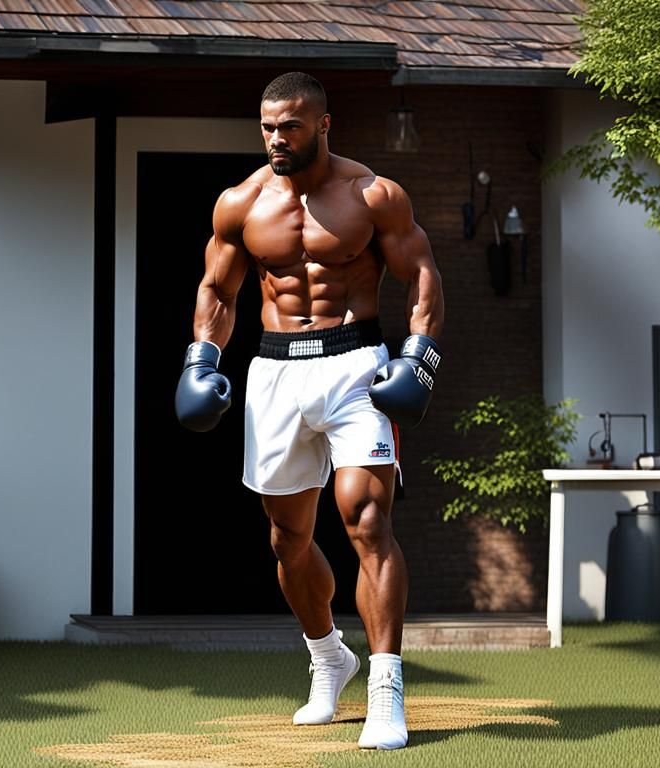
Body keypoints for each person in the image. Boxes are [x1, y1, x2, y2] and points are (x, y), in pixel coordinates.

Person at [174, 71, 444, 751]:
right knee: (286, 539)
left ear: (323, 124)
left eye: (289, 126)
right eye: (267, 126)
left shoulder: (371, 194)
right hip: (274, 372)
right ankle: (329, 657)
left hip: (356, 366)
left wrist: (418, 360)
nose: (275, 138)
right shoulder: (241, 204)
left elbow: (422, 276)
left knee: (368, 519)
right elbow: (218, 290)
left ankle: (386, 688)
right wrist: (200, 360)